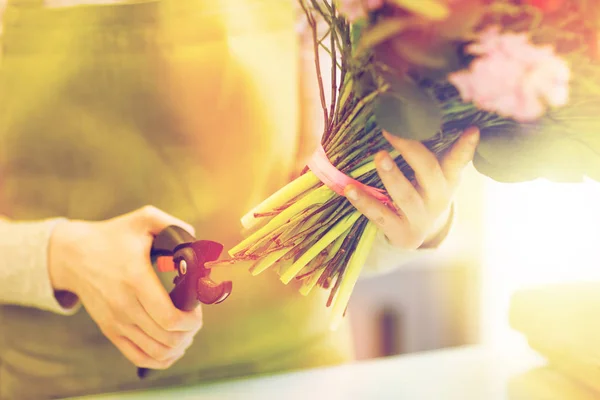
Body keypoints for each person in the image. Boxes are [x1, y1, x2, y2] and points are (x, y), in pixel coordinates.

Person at [0, 0, 479, 398]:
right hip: (62, 382)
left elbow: (326, 195)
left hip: (288, 375)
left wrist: (409, 222)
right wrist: (57, 256)